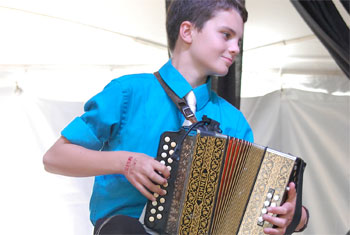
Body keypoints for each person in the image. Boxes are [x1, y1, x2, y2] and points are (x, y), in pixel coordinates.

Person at [43, 0, 309, 234]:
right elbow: (55, 158)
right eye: (226, 35)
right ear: (187, 31)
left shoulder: (234, 121)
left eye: (238, 40)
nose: (236, 48)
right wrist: (126, 162)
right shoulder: (129, 92)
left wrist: (293, 218)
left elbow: (246, 209)